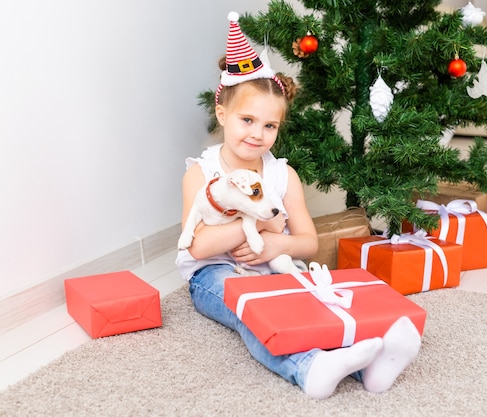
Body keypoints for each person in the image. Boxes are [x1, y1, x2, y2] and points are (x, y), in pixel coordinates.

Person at [176, 12, 422, 400]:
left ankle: (370, 368)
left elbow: (307, 242)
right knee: (254, 314)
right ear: (222, 114)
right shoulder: (201, 173)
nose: (257, 134)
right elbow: (198, 246)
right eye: (247, 120)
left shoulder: (282, 176)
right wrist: (253, 228)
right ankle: (307, 368)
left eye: (270, 126)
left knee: (311, 303)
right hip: (216, 275)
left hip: (275, 264)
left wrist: (277, 245)